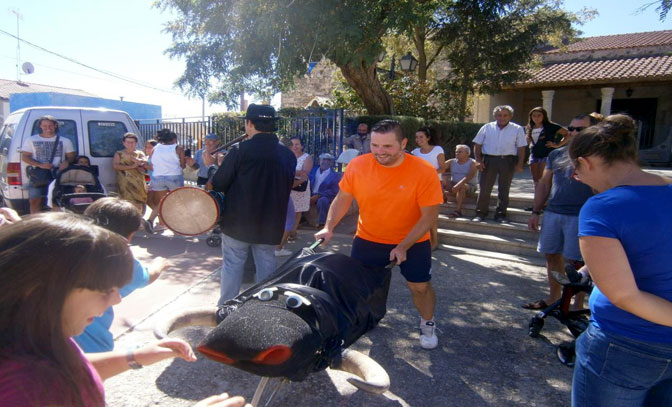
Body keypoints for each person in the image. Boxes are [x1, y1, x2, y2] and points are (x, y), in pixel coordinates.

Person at [0, 212, 249, 407]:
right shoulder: (22, 389)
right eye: (104, 290)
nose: (117, 300)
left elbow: (71, 366)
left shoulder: (36, 334)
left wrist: (133, 357)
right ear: (35, 288)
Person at [568, 114, 672, 406]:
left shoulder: (602, 207)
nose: (578, 179)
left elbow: (625, 296)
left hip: (625, 344)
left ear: (585, 162)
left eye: (576, 171)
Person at [315, 119, 444, 349]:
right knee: (362, 287)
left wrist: (403, 246)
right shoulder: (358, 165)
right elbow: (343, 198)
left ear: (403, 144)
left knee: (419, 287)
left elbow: (428, 217)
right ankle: (368, 318)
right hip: (368, 238)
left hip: (413, 241)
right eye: (375, 145)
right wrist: (329, 226)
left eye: (387, 146)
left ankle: (427, 322)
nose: (380, 152)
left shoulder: (424, 171)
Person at [211, 104, 296, 305]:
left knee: (232, 265)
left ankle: (226, 308)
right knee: (267, 265)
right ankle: (263, 308)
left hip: (237, 222)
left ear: (249, 123)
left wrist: (215, 168)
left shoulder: (240, 150)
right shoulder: (288, 155)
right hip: (270, 222)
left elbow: (219, 183)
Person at [74, 197, 167, 352]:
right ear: (130, 234)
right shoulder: (120, 258)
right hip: (92, 347)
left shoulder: (67, 248)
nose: (116, 299)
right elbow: (145, 277)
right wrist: (159, 264)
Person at [523, 114, 594, 311]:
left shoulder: (598, 156)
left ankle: (577, 306)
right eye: (571, 128)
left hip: (580, 214)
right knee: (551, 256)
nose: (574, 133)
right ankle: (554, 297)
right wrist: (536, 211)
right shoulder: (556, 155)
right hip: (554, 212)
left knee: (577, 262)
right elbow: (545, 184)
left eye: (580, 129)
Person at [472, 105, 526, 223]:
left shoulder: (517, 129)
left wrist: (520, 164)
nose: (502, 118)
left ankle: (501, 214)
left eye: (505, 115)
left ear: (510, 116)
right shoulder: (487, 127)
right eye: (499, 115)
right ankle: (480, 213)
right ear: (495, 116)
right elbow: (477, 145)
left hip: (507, 160)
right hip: (489, 160)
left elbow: (521, 148)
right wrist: (478, 160)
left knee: (504, 188)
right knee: (485, 187)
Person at [21, 115, 76, 214]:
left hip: (57, 174)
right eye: (44, 126)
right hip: (38, 175)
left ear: (55, 125)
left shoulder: (65, 141)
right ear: (40, 126)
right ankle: (35, 223)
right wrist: (41, 165)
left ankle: (53, 224)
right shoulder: (31, 140)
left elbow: (72, 157)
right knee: (34, 201)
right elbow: (25, 157)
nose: (47, 128)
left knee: (55, 201)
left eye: (50, 125)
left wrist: (67, 162)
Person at [411, 127, 446, 250]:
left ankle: (434, 241)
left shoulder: (437, 149)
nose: (418, 139)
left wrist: (428, 176)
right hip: (419, 186)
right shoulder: (415, 152)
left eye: (421, 137)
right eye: (416, 137)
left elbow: (443, 168)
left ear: (428, 137)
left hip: (434, 185)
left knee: (432, 215)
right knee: (418, 215)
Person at [146, 128, 186, 232]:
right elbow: (183, 165)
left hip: (158, 177)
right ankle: (177, 224)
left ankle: (150, 219)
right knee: (178, 201)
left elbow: (152, 163)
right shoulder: (178, 148)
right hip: (174, 177)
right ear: (174, 139)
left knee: (162, 201)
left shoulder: (155, 148)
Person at [525, 107, 568, 188]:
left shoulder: (551, 126)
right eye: (534, 115)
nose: (536, 117)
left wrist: (558, 144)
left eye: (539, 115)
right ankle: (537, 197)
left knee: (543, 179)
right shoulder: (530, 127)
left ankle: (545, 198)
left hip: (546, 155)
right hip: (534, 155)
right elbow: (528, 140)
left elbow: (567, 134)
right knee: (535, 179)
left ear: (544, 116)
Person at [113, 133, 148, 215]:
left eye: (132, 142)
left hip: (138, 182)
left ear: (136, 143)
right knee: (126, 202)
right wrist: (133, 166)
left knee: (139, 201)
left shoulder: (140, 153)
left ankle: (139, 219)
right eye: (128, 142)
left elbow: (144, 165)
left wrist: (139, 164)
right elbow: (115, 166)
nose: (130, 144)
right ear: (124, 143)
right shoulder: (119, 153)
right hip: (124, 182)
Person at [288, 136, 313, 240]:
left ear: (302, 146)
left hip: (300, 187)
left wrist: (290, 172)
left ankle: (293, 232)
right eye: (293, 144)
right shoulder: (288, 156)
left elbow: (305, 172)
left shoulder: (307, 157)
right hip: (289, 186)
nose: (295, 147)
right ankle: (287, 231)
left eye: (297, 144)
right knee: (288, 210)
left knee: (297, 210)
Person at [444, 144, 479, 218]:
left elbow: (469, 176)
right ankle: (443, 197)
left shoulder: (473, 163)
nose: (457, 153)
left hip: (469, 186)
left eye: (460, 152)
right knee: (442, 179)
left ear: (467, 153)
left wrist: (458, 185)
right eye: (456, 152)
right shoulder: (452, 161)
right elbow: (440, 167)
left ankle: (458, 210)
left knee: (462, 186)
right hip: (454, 184)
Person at [307, 152, 341, 229]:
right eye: (323, 159)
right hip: (310, 193)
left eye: (328, 160)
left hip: (324, 195)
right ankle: (300, 220)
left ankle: (322, 223)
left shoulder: (335, 175)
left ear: (331, 162)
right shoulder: (313, 170)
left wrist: (318, 195)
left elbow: (334, 190)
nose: (325, 162)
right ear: (319, 160)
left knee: (322, 201)